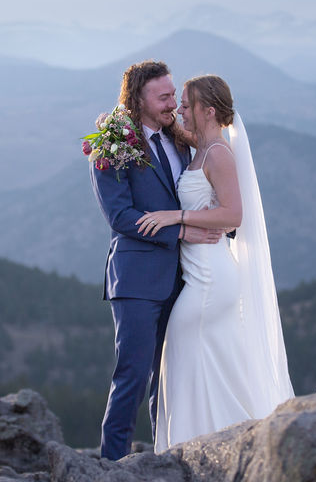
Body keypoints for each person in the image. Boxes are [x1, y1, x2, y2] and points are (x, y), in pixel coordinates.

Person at [136, 75, 294, 452]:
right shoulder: (202, 146)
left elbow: (233, 215)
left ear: (209, 111)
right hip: (202, 276)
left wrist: (177, 217)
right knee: (206, 365)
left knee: (180, 353)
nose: (180, 110)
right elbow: (162, 127)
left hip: (211, 280)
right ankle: (217, 445)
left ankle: (190, 450)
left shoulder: (219, 154)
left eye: (188, 105)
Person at [89, 60, 222, 461]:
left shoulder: (179, 141)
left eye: (172, 95)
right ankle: (109, 471)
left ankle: (161, 459)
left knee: (169, 379)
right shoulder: (112, 143)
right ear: (139, 99)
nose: (172, 104)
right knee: (131, 376)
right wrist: (180, 230)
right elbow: (121, 217)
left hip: (184, 279)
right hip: (136, 281)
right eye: (163, 97)